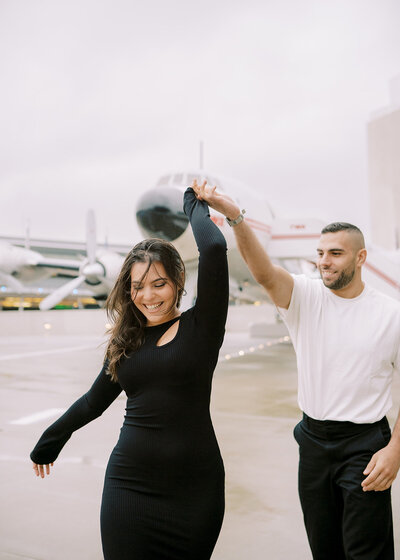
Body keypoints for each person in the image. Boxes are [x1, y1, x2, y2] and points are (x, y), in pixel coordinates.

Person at [192, 182, 400, 560]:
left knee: (367, 552)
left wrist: (395, 450)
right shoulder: (304, 296)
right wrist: (236, 216)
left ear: (361, 257)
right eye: (320, 253)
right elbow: (264, 273)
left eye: (335, 253)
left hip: (366, 447)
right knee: (325, 549)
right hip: (314, 443)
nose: (324, 261)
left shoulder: (391, 314)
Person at [30, 182, 229, 560]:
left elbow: (215, 247)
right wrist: (52, 438)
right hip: (129, 487)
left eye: (159, 284)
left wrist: (191, 203)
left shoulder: (202, 327)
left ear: (177, 283)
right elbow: (93, 402)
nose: (148, 296)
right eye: (138, 286)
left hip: (194, 490)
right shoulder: (127, 340)